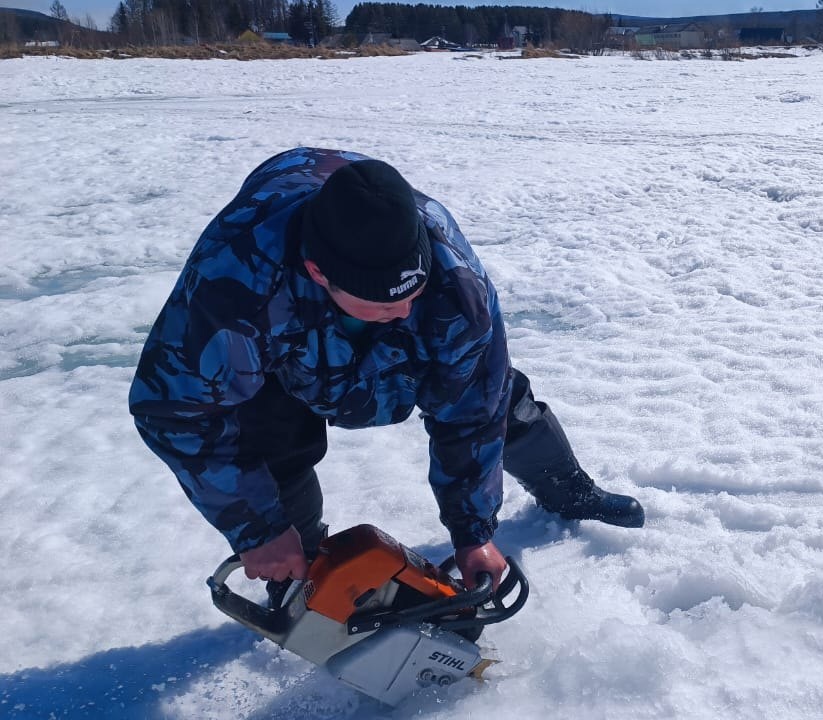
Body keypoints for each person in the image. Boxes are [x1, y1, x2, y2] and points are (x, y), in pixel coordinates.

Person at [128, 147, 644, 595]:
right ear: (318, 274)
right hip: (280, 323)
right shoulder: (236, 284)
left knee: (498, 398)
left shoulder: (453, 283)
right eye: (378, 305)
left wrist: (473, 533)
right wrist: (258, 529)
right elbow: (177, 408)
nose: (401, 314)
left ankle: (569, 490)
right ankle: (300, 575)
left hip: (370, 248)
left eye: (411, 295)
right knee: (267, 433)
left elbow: (473, 412)